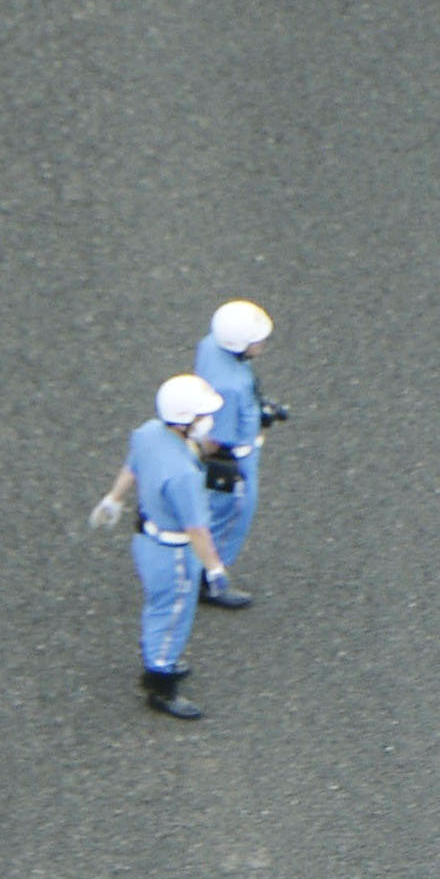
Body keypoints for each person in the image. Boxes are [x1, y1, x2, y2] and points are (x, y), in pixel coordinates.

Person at [89, 374, 237, 718]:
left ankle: (158, 656)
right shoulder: (183, 473)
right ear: (186, 421)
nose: (208, 421)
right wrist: (214, 568)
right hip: (174, 554)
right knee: (172, 614)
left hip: (147, 539)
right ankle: (160, 679)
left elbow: (134, 466)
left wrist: (114, 498)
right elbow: (197, 529)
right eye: (202, 416)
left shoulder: (149, 433)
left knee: (159, 608)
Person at [191, 298, 285, 605]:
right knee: (234, 512)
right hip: (236, 458)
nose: (263, 344)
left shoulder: (210, 346)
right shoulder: (230, 387)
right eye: (258, 341)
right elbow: (219, 438)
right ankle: (210, 577)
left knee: (210, 508)